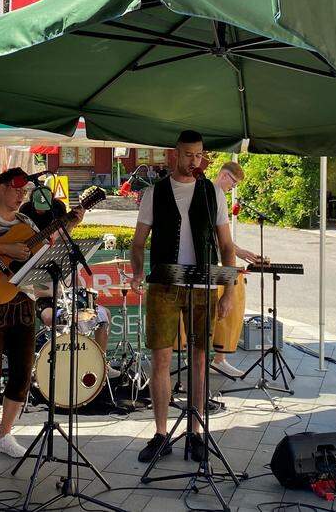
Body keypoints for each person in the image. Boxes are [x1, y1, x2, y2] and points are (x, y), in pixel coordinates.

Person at [0, 168, 78, 467]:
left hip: (23, 301)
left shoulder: (26, 222)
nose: (21, 195)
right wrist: (4, 247)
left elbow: (41, 252)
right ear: (0, 188)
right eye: (15, 189)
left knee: (24, 370)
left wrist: (70, 225)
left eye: (23, 191)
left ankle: (4, 435)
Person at [129, 130, 237, 464]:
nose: (194, 161)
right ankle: (161, 434)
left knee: (200, 360)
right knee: (161, 358)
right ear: (175, 155)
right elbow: (137, 242)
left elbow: (227, 245)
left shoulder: (212, 193)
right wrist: (136, 272)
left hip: (204, 287)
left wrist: (228, 290)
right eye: (188, 154)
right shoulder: (154, 193)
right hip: (163, 286)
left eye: (199, 155)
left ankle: (196, 431)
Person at [23, 189, 118, 376]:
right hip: (41, 300)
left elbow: (64, 236)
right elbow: (33, 287)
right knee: (53, 318)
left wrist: (73, 222)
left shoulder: (63, 243)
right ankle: (52, 369)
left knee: (103, 314)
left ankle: (100, 363)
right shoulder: (26, 238)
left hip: (65, 297)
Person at [211, 161, 264, 377]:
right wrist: (237, 253)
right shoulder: (215, 195)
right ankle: (219, 358)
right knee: (224, 309)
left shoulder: (210, 193)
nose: (233, 188)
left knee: (213, 312)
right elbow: (220, 237)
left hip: (212, 260)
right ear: (224, 175)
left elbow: (222, 238)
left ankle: (216, 358)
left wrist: (239, 251)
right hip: (211, 262)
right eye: (233, 183)